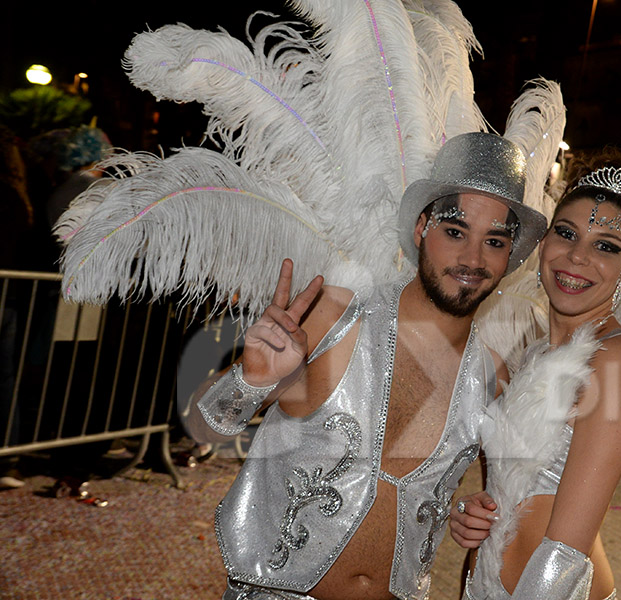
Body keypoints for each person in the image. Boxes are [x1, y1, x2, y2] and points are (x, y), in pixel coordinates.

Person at [185, 132, 548, 600]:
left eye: (494, 241)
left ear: (508, 260)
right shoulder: (334, 319)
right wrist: (251, 378)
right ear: (421, 229)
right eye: (455, 232)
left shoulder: (491, 379)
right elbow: (201, 428)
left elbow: (479, 505)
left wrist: (469, 514)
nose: (472, 259)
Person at [449, 149, 621, 600]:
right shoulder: (532, 355)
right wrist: (476, 515)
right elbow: (511, 492)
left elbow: (565, 551)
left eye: (606, 246)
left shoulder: (619, 361)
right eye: (566, 234)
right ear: (543, 245)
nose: (578, 257)